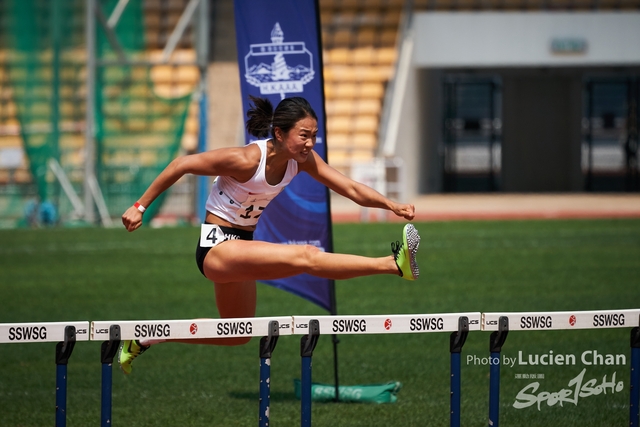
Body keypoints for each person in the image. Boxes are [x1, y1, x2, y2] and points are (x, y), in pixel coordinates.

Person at [118, 96, 420, 374]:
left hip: (241, 249)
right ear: (279, 133)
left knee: (237, 334)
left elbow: (351, 188)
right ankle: (393, 264)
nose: (310, 143)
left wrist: (391, 204)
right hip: (216, 248)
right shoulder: (246, 159)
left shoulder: (302, 162)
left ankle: (150, 337)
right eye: (304, 135)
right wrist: (139, 206)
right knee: (306, 256)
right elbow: (181, 164)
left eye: (314, 135)